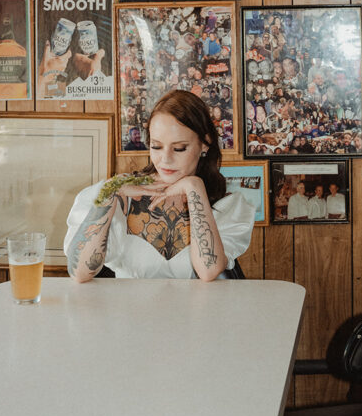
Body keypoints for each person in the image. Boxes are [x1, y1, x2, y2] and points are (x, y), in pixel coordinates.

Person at [65, 90, 255, 281]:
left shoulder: (228, 205)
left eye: (179, 148)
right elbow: (79, 273)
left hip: (197, 311)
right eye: (156, 146)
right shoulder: (121, 192)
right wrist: (110, 192)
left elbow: (208, 271)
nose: (165, 159)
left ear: (205, 144)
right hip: (128, 310)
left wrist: (194, 187)